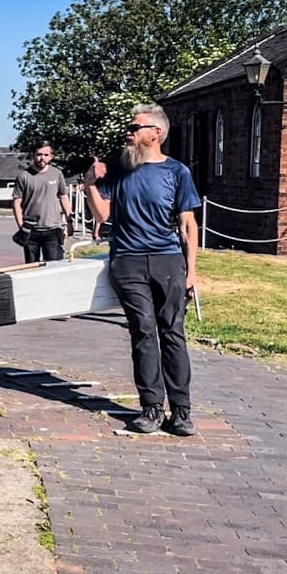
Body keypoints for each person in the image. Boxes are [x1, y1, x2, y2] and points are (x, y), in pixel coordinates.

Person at [83, 104, 201, 436]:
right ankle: (151, 408)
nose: (129, 132)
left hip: (168, 261)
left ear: (155, 133)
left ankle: (181, 411)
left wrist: (191, 272)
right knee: (143, 333)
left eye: (135, 128)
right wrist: (90, 184)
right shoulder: (121, 168)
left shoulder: (177, 172)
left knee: (172, 333)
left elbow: (188, 224)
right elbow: (103, 215)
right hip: (128, 261)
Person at [12, 139, 72, 263]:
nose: (42, 158)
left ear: (51, 156)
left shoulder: (57, 174)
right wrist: (21, 226)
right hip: (31, 231)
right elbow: (17, 202)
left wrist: (69, 221)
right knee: (31, 268)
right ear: (33, 155)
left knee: (54, 267)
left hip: (53, 230)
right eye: (39, 154)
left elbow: (63, 197)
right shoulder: (24, 176)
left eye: (46, 155)